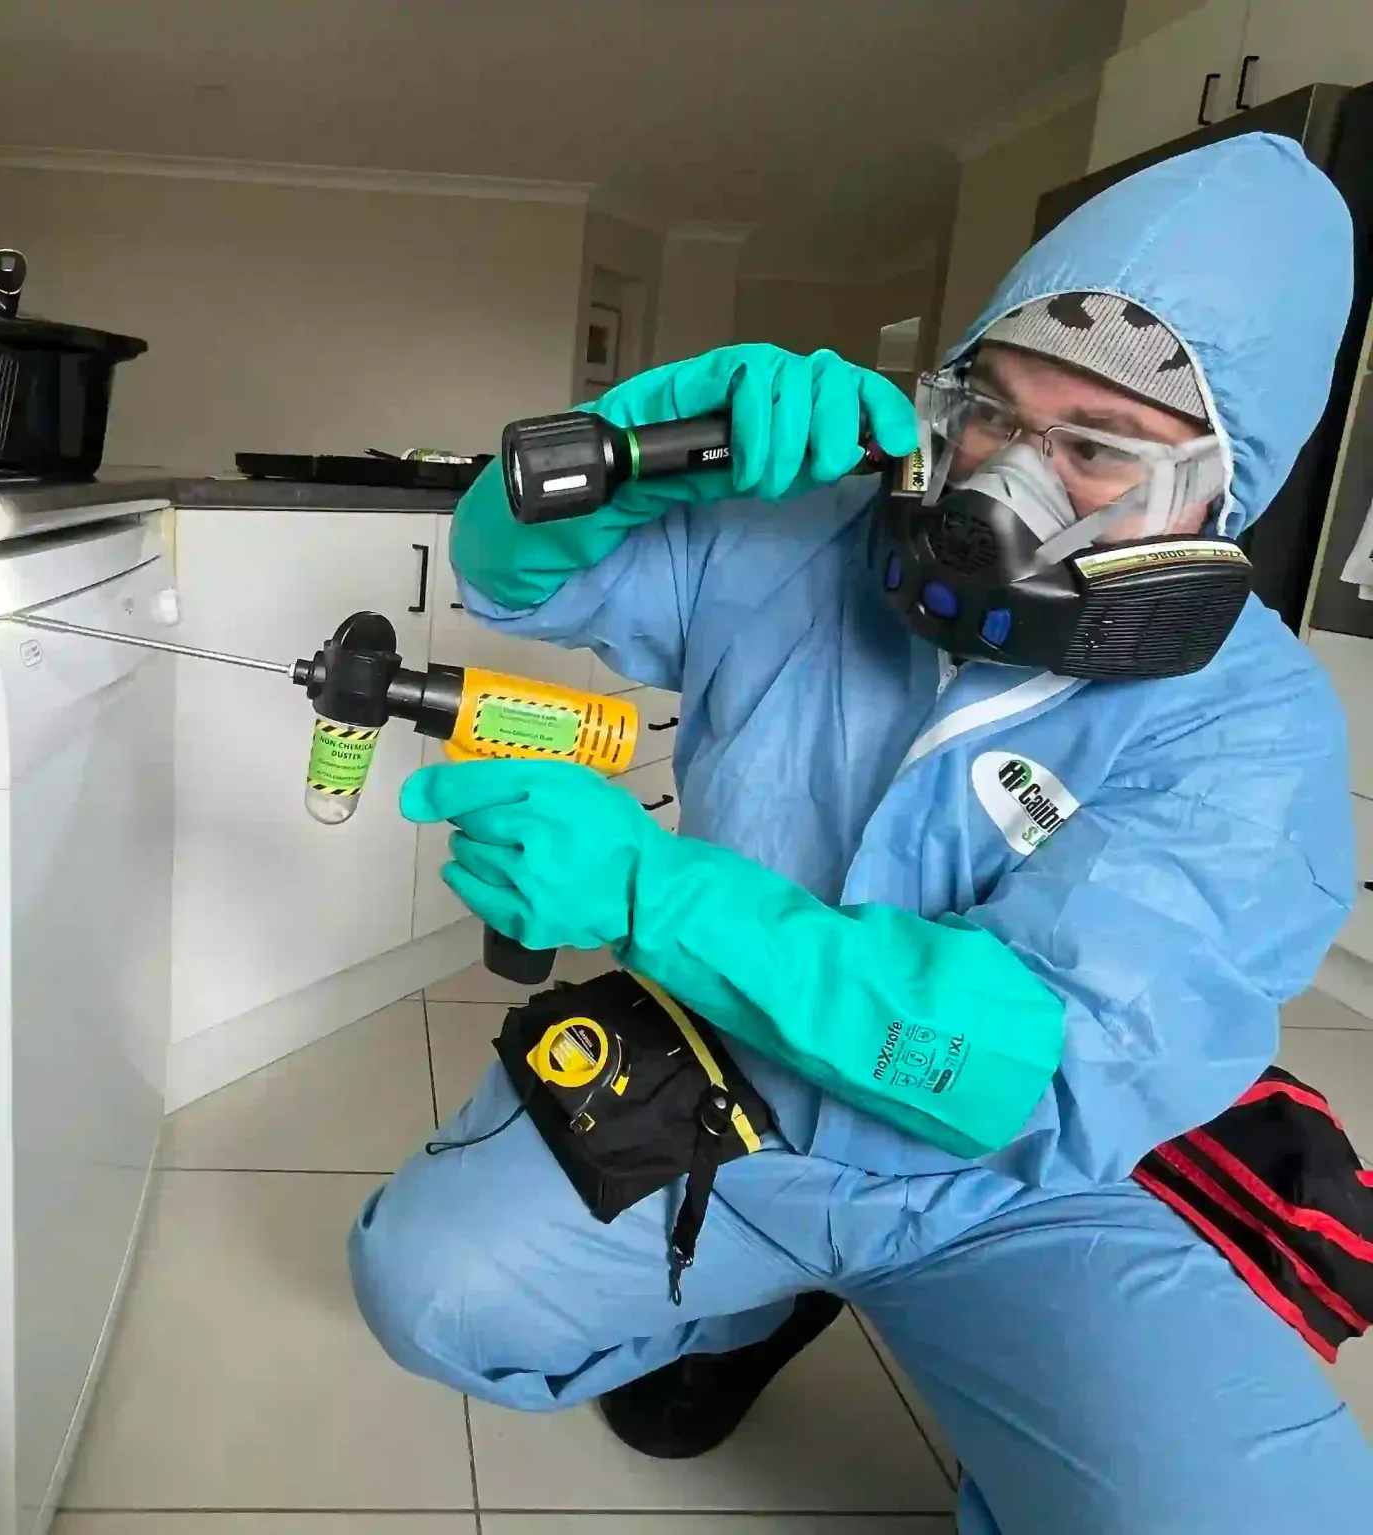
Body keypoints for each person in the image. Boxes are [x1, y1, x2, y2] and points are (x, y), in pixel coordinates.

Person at [347, 132, 1373, 1534]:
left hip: (1019, 1185)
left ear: (1221, 482)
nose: (1005, 478)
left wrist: (650, 892)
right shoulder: (821, 533)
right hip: (727, 1077)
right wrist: (647, 441)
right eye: (997, 413)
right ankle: (743, 1312)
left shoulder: (1249, 726)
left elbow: (1014, 1068)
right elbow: (508, 569)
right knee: (432, 1287)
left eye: (1092, 448)